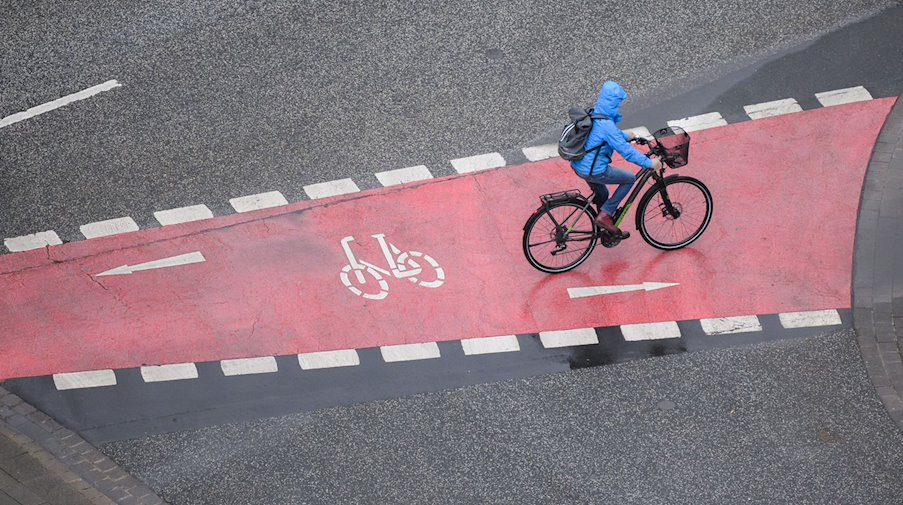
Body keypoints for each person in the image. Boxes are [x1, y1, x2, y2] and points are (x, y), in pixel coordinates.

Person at [570, 80, 662, 238]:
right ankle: (605, 217)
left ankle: (602, 228)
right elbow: (626, 152)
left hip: (579, 165)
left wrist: (627, 136)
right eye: (618, 103)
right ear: (613, 104)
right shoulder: (607, 125)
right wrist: (648, 163)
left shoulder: (594, 113)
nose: (619, 106)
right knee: (629, 179)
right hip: (594, 170)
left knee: (602, 194)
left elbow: (605, 136)